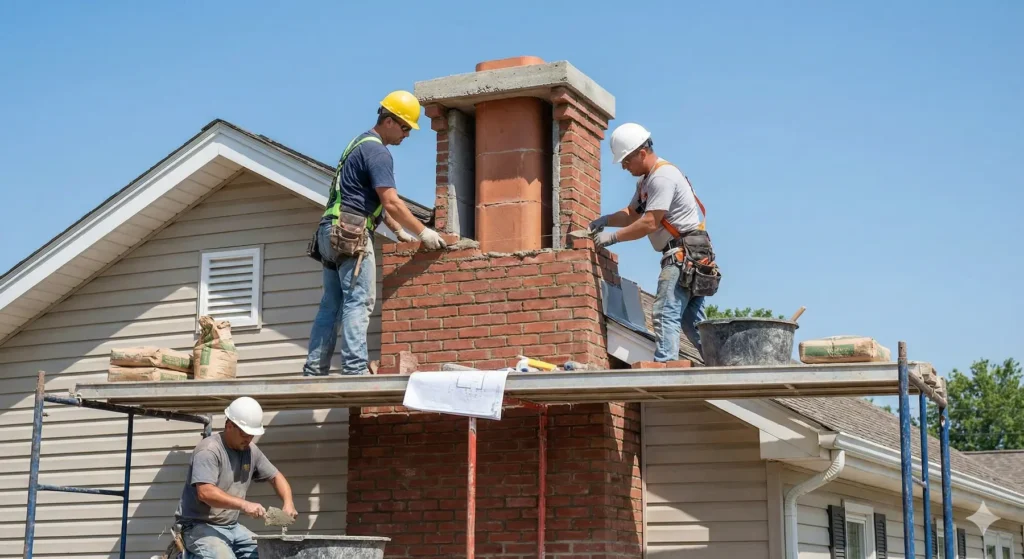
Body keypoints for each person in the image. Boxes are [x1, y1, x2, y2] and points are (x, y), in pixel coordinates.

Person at [303, 90, 447, 376]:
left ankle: (313, 370)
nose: (407, 135)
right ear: (389, 120)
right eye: (405, 127)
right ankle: (355, 368)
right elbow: (391, 200)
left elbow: (368, 200)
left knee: (330, 305)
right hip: (350, 232)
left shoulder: (358, 144)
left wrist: (397, 231)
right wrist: (422, 233)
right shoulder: (378, 151)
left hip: (328, 231)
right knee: (359, 301)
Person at [590, 122, 717, 363]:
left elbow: (649, 222)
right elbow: (632, 213)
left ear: (642, 152)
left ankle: (665, 366)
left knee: (664, 312)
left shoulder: (663, 177)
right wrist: (605, 220)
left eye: (627, 161)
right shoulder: (646, 182)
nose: (625, 167)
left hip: (683, 256)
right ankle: (720, 362)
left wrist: (612, 237)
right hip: (690, 255)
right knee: (693, 322)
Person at [173, 397, 296, 559]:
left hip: (231, 527)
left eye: (252, 435)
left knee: (271, 554)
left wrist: (289, 503)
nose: (249, 439)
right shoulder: (209, 450)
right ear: (229, 425)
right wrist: (244, 505)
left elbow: (275, 476)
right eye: (245, 434)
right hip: (197, 526)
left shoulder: (250, 451)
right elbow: (205, 493)